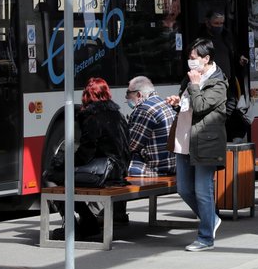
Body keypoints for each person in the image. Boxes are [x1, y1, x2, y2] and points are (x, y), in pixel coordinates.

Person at [48, 77, 130, 240]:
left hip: (105, 171)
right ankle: (88, 220)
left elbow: (86, 153)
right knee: (64, 176)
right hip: (119, 170)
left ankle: (76, 225)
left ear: (86, 96)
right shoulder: (118, 115)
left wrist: (64, 163)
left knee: (54, 176)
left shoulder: (92, 117)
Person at [166, 38, 228, 252]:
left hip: (205, 142)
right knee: (184, 189)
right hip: (183, 140)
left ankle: (205, 238)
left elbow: (201, 106)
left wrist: (194, 85)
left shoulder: (218, 83)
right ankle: (211, 219)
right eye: (189, 58)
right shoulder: (189, 78)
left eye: (194, 59)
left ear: (206, 59)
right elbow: (189, 106)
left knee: (203, 191)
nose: (190, 62)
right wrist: (177, 101)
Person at [199, 10, 249, 141]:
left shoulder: (227, 36)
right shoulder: (202, 40)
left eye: (221, 23)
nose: (219, 26)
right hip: (211, 83)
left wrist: (239, 58)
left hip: (229, 82)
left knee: (230, 106)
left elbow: (231, 52)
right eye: (216, 23)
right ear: (207, 23)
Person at [125, 75, 176, 177]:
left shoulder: (144, 110)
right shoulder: (163, 103)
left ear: (139, 94)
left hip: (156, 168)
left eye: (128, 94)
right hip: (173, 165)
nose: (126, 98)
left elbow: (131, 145)